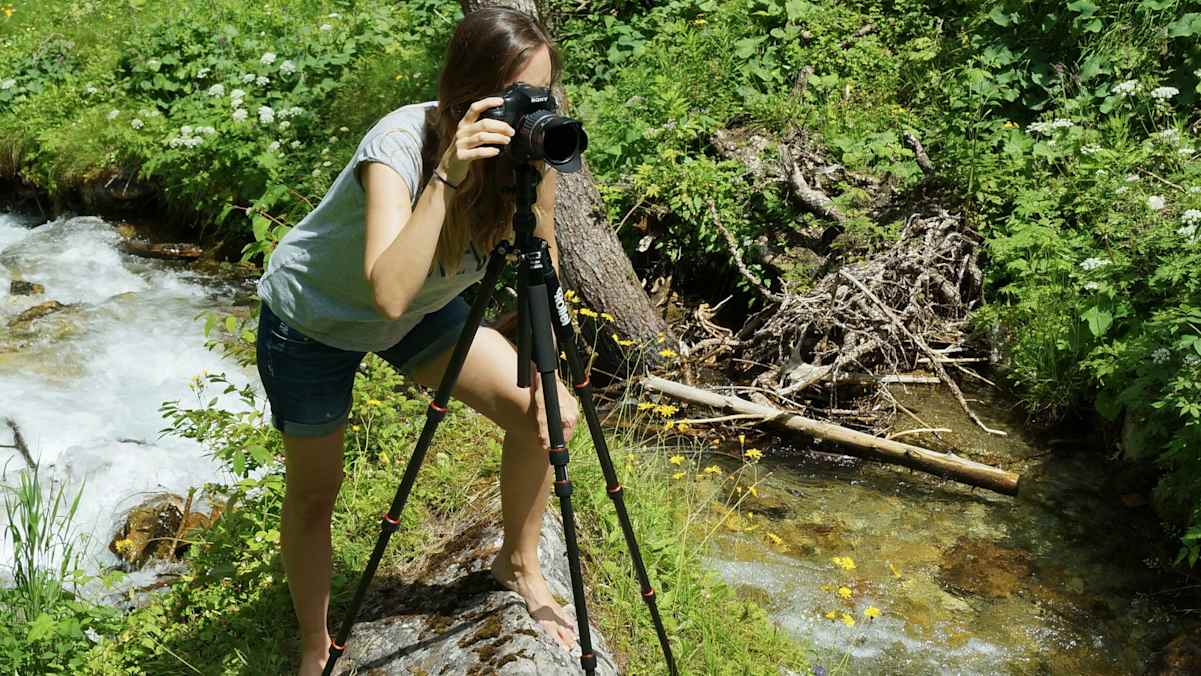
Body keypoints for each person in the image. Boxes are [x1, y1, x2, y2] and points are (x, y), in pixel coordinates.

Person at [254, 8, 580, 675]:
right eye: (513, 100)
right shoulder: (400, 143)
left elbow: (538, 253)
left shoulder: (533, 150)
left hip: (420, 311)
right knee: (317, 491)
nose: (529, 115)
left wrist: (546, 367)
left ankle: (517, 565)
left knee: (549, 416)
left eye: (541, 97)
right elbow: (388, 292)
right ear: (466, 93)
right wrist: (450, 173)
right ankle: (315, 647)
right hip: (315, 319)